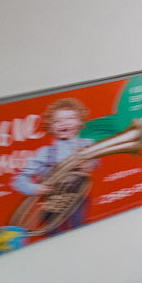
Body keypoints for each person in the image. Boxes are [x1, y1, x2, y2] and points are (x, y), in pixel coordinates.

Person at [10, 98, 96, 232]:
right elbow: (17, 180)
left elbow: (96, 162)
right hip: (52, 206)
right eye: (57, 121)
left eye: (70, 118)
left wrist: (88, 164)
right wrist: (36, 188)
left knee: (78, 231)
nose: (64, 123)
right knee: (55, 235)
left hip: (78, 200)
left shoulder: (88, 144)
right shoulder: (44, 153)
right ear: (50, 127)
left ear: (80, 121)